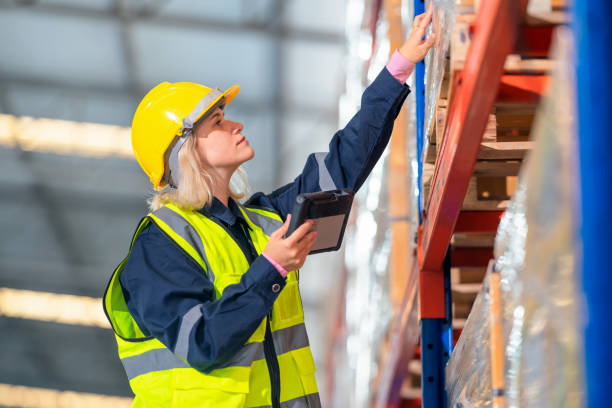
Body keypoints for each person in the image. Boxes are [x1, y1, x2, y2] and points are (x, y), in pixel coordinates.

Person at [103, 6, 434, 408]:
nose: (235, 126)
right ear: (187, 149)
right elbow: (202, 343)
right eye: (219, 122)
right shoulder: (158, 250)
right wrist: (271, 268)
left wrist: (397, 69)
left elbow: (341, 166)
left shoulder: (260, 222)